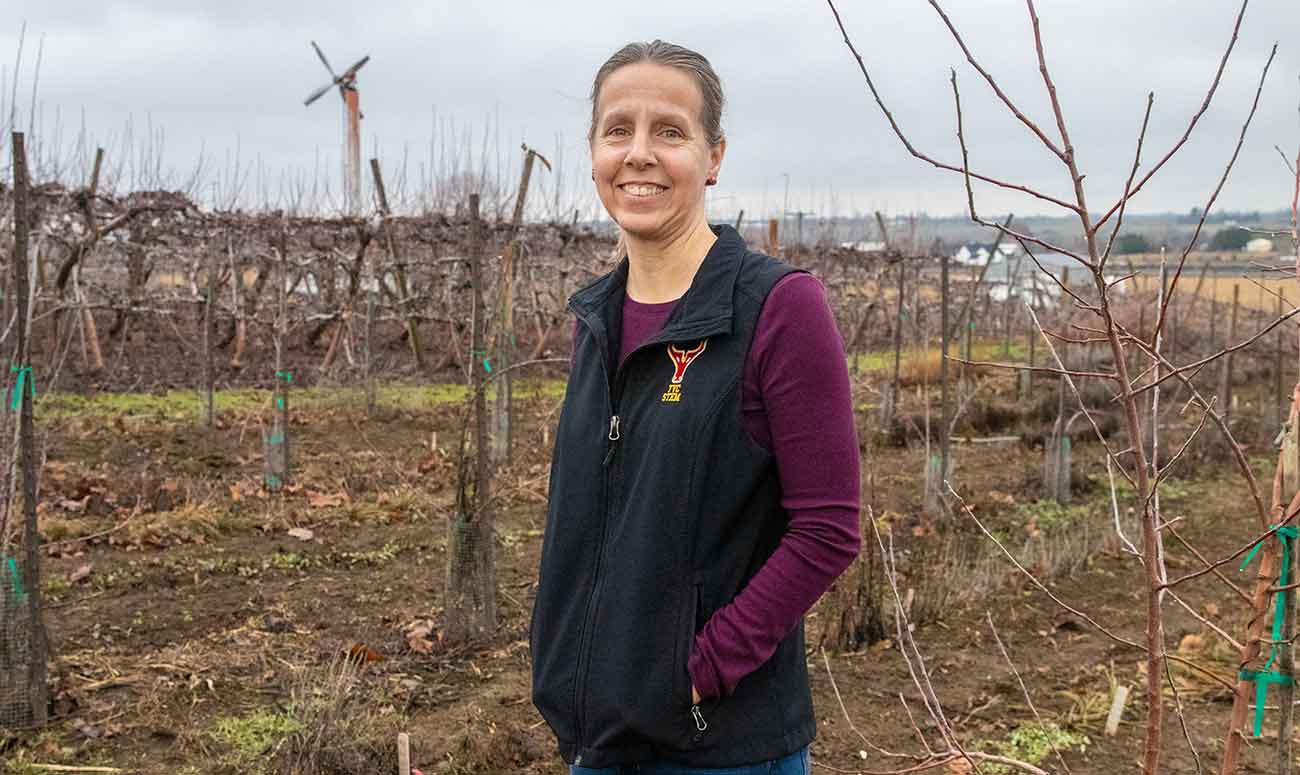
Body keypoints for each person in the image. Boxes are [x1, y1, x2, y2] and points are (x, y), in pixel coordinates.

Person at [529, 40, 861, 775]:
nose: (639, 153)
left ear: (713, 157)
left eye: (669, 132)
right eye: (619, 130)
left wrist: (697, 670)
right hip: (601, 734)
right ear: (592, 151)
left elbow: (828, 530)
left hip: (721, 748)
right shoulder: (599, 319)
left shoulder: (776, 309)